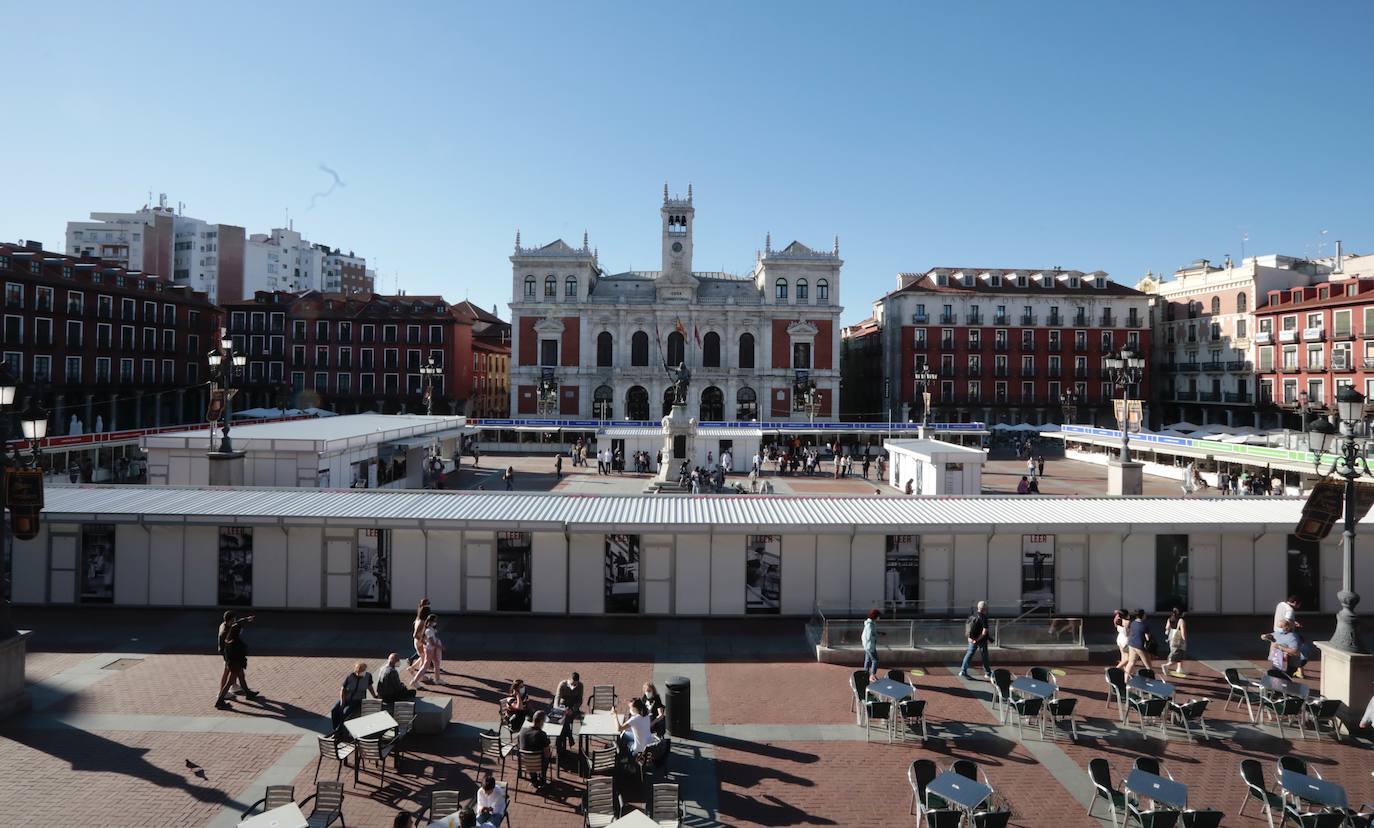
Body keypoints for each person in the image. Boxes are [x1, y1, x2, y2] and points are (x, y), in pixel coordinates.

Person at [215, 612, 258, 709]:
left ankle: (248, 693)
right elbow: (228, 650)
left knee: (241, 676)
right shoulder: (230, 637)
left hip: (234, 661)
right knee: (230, 681)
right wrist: (228, 661)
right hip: (234, 661)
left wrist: (246, 619)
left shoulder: (230, 631)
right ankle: (220, 700)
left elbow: (237, 623)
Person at [332, 661, 377, 732]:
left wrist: (374, 695)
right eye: (361, 671)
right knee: (334, 709)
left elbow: (370, 687)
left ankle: (339, 730)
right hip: (347, 698)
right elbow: (343, 689)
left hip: (357, 699)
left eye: (364, 670)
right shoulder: (350, 676)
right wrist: (342, 701)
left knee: (345, 712)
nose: (363, 672)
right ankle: (335, 728)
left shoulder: (368, 676)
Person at [516, 710, 553, 787]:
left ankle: (534, 780)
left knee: (530, 755)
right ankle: (543, 780)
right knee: (547, 754)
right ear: (541, 721)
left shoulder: (522, 730)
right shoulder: (541, 734)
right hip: (538, 764)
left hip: (525, 762)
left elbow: (519, 744)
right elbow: (547, 754)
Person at [958, 600, 991, 679]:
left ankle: (963, 670)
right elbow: (984, 631)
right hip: (980, 639)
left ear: (978, 607)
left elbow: (968, 626)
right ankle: (987, 673)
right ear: (985, 609)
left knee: (969, 653)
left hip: (972, 638)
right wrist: (977, 639)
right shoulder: (983, 617)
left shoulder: (972, 614)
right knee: (984, 655)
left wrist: (970, 637)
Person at [408, 615, 443, 688]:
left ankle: (437, 679)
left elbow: (423, 640)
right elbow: (432, 642)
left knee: (436, 662)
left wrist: (426, 644)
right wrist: (441, 647)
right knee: (426, 665)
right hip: (430, 649)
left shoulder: (429, 629)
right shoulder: (429, 630)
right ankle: (414, 681)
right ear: (430, 621)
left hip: (430, 648)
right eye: (434, 621)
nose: (436, 622)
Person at [616, 698, 654, 764]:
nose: (630, 709)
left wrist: (614, 716)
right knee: (625, 734)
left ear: (635, 709)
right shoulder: (646, 715)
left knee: (625, 739)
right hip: (648, 744)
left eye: (631, 708)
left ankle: (626, 758)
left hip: (639, 748)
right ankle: (623, 756)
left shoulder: (635, 719)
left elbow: (619, 728)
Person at [1123, 609, 1154, 674]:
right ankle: (1152, 680)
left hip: (1132, 645)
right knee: (1148, 666)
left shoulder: (1133, 623)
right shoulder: (1144, 625)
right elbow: (1147, 638)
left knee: (1130, 663)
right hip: (1140, 647)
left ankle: (1125, 680)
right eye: (1144, 614)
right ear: (1142, 615)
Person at [1161, 608, 1188, 676]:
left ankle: (1179, 668)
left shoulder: (1170, 618)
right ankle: (1167, 665)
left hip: (1171, 638)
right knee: (1178, 654)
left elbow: (1167, 627)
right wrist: (1184, 640)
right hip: (1178, 639)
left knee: (1177, 653)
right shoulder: (1181, 620)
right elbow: (1182, 631)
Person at [408, 600, 431, 666]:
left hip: (421, 641)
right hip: (419, 642)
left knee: (423, 657)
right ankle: (421, 674)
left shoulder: (420, 619)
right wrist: (423, 642)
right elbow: (415, 635)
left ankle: (412, 668)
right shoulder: (421, 622)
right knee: (424, 658)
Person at [862, 608, 881, 681]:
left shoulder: (870, 623)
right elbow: (869, 636)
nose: (879, 618)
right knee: (875, 660)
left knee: (867, 659)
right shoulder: (870, 625)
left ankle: (865, 673)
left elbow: (871, 633)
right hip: (870, 646)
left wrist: (878, 633)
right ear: (875, 616)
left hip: (867, 645)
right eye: (878, 616)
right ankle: (872, 675)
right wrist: (875, 637)